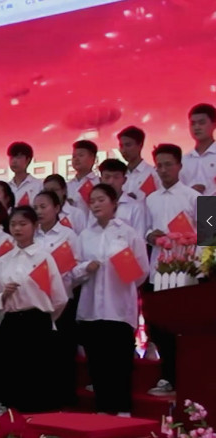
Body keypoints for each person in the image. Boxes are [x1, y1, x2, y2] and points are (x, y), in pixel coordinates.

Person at [74, 183, 150, 416]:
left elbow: (142, 272)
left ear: (114, 203)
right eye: (92, 201)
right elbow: (73, 272)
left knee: (119, 364)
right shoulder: (85, 235)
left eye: (101, 200)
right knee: (97, 365)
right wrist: (86, 268)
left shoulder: (128, 233)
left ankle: (123, 411)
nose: (95, 205)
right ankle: (103, 411)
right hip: (91, 310)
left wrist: (123, 272)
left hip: (118, 309)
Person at [0, 206, 68, 413]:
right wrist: (4, 296)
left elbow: (59, 298)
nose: (17, 228)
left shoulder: (44, 258)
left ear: (35, 226)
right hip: (11, 322)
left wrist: (46, 319)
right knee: (12, 375)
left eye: (23, 224)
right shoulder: (3, 260)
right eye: (13, 224)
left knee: (38, 377)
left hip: (37, 322)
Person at [144, 144, 199, 396]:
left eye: (168, 164)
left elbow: (211, 235)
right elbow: (145, 230)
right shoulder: (150, 199)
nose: (164, 170)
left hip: (187, 270)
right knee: (160, 327)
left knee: (186, 328)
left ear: (179, 166)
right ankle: (167, 377)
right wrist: (150, 235)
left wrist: (189, 240)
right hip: (158, 269)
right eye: (159, 166)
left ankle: (189, 377)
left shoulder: (196, 197)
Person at [33, 190, 82, 407]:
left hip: (63, 300)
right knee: (41, 355)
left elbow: (78, 267)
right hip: (37, 302)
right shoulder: (32, 235)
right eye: (36, 208)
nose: (39, 211)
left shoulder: (68, 235)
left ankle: (65, 403)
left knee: (63, 353)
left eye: (43, 207)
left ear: (57, 208)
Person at [94, 159, 147, 232]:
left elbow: (139, 236)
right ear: (100, 180)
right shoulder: (96, 207)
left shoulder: (136, 207)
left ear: (124, 180)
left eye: (116, 177)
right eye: (107, 177)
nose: (111, 182)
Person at [117, 126, 161, 201]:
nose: (123, 150)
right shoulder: (119, 175)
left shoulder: (153, 174)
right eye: (121, 146)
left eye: (128, 145)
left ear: (140, 145)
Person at [182, 103, 216, 195]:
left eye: (201, 123)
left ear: (214, 124)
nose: (197, 127)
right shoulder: (183, 160)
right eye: (193, 124)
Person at [66, 140, 100, 215]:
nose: (76, 159)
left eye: (81, 155)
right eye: (74, 156)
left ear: (93, 158)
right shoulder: (67, 186)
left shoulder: (98, 183)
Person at [7, 142, 44, 207]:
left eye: (18, 157)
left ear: (28, 160)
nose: (14, 161)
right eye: (11, 157)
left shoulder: (38, 185)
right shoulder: (7, 187)